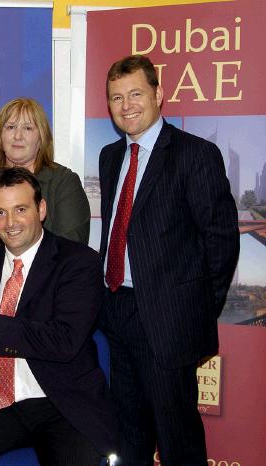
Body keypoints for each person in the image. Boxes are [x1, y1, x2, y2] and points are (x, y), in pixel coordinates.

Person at [98, 54, 240, 466]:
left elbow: (221, 241)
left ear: (160, 94)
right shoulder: (110, 157)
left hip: (169, 319)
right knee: (130, 430)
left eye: (136, 94)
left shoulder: (196, 154)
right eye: (116, 97)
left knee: (177, 435)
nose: (126, 106)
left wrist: (192, 310)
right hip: (117, 308)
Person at [0, 167, 117, 465]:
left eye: (20, 209)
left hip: (60, 403)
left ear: (41, 209)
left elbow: (64, 340)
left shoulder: (78, 262)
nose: (10, 223)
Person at [0, 97, 90, 289]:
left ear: (42, 137)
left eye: (28, 128)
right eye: (10, 127)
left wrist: (19, 293)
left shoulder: (64, 183)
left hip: (41, 299)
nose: (18, 136)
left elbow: (70, 248)